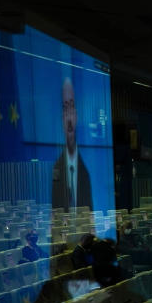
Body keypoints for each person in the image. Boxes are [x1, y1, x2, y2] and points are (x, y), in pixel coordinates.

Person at [52, 77, 93, 211]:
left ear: (76, 115)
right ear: (61, 118)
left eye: (72, 107)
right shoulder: (55, 170)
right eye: (65, 108)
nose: (69, 117)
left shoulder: (86, 172)